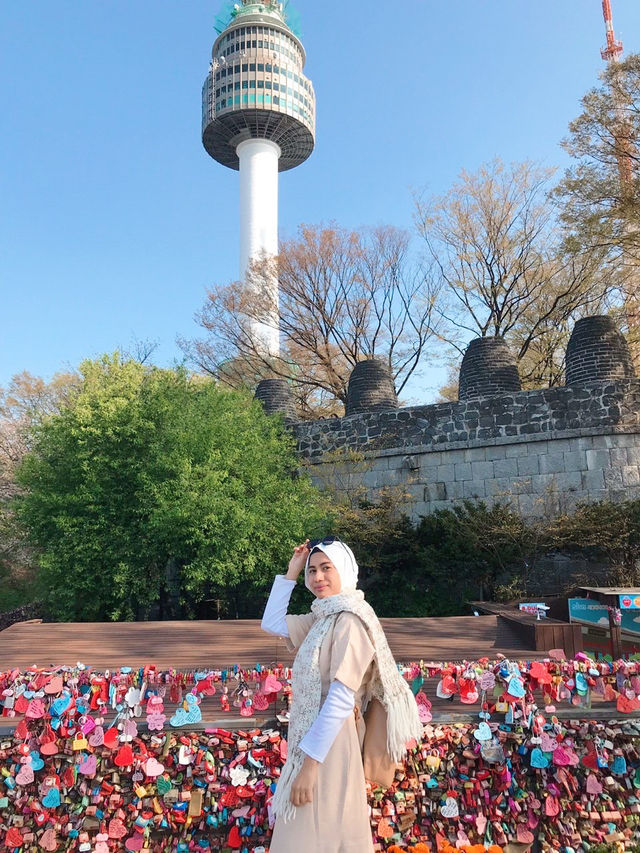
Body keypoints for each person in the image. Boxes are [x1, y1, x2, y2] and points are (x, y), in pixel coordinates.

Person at [261, 537, 423, 853]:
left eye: (326, 568)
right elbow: (271, 623)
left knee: (316, 837)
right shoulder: (324, 617)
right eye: (312, 571)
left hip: (327, 748)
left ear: (346, 571)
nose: (318, 577)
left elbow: (339, 699)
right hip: (315, 743)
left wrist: (309, 767)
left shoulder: (350, 619)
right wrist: (292, 571)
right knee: (308, 837)